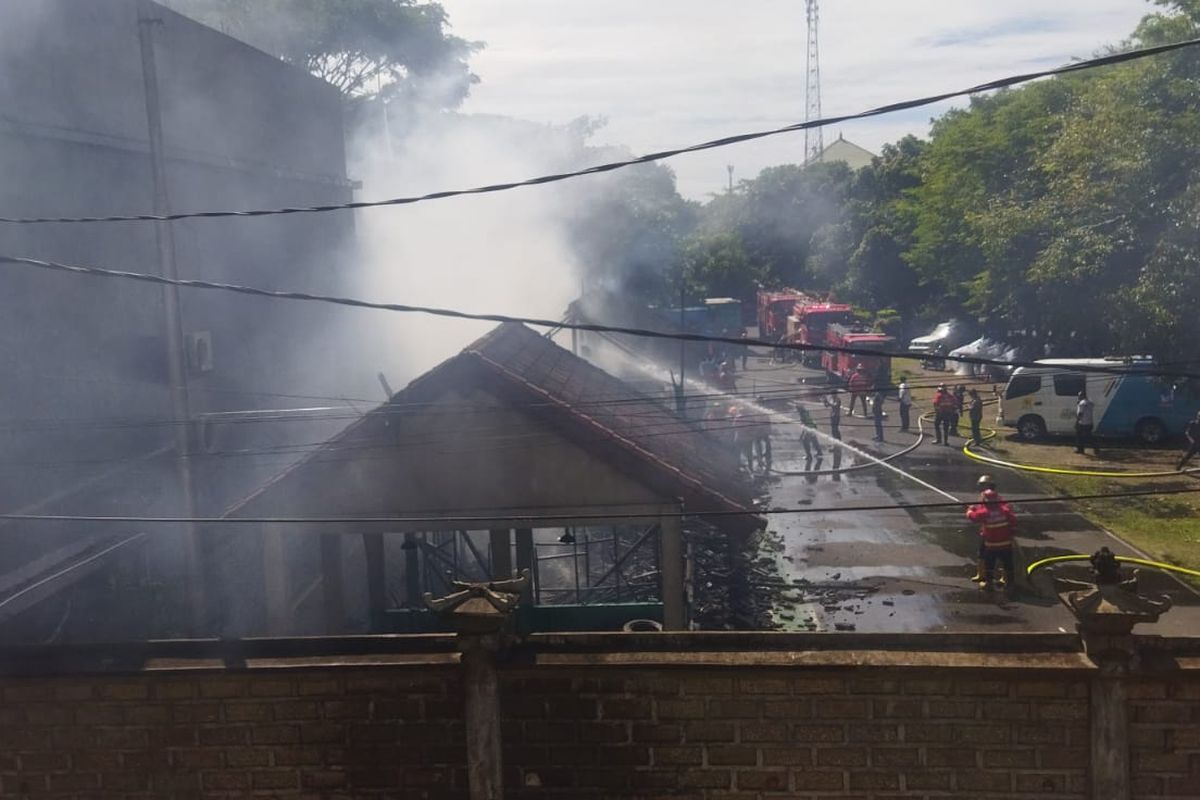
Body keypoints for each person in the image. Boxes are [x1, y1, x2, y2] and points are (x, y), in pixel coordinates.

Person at [966, 489, 1017, 592]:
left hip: (991, 545)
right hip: (1006, 544)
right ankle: (1010, 583)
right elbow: (1013, 521)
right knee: (1008, 564)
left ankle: (988, 583)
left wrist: (970, 510)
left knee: (989, 565)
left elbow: (973, 517)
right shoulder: (1005, 511)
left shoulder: (984, 513)